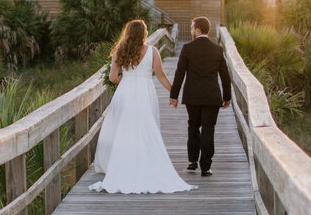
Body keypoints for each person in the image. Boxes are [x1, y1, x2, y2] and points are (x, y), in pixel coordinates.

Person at [89, 19, 195, 194]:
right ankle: (147, 161)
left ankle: (123, 164)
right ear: (143, 33)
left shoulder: (120, 51)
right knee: (146, 127)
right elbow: (160, 75)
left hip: (126, 92)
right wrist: (173, 93)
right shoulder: (152, 51)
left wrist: (125, 79)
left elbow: (112, 77)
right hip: (146, 93)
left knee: (124, 129)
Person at [169, 16, 231, 177]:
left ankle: (192, 161)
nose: (190, 31)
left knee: (193, 126)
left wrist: (174, 95)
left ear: (197, 30)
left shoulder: (188, 48)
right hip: (212, 96)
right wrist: (227, 96)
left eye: (191, 28)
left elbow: (179, 73)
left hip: (193, 96)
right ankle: (206, 167)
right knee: (208, 129)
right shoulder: (217, 49)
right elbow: (225, 76)